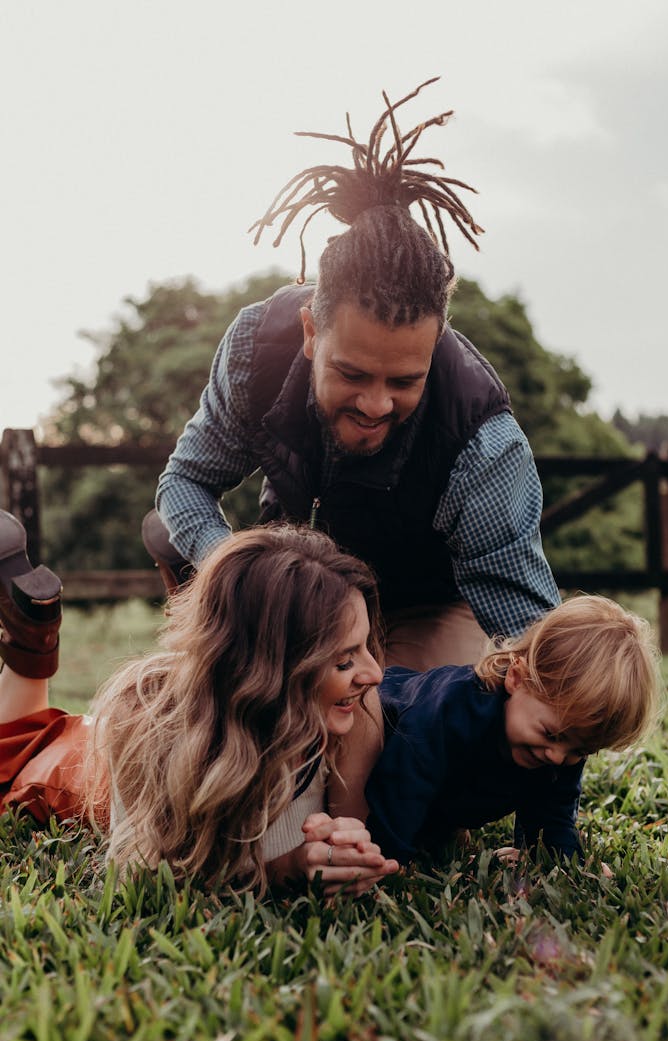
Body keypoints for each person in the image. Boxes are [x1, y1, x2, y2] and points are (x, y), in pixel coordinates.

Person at [147, 78, 560, 672]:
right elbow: (183, 483)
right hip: (296, 594)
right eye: (352, 372)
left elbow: (526, 632)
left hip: (424, 606)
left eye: (403, 382)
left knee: (380, 735)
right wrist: (240, 576)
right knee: (213, 718)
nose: (374, 404)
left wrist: (556, 705)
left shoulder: (484, 443)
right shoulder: (254, 349)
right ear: (312, 331)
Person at [0, 509, 398, 896]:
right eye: (344, 660)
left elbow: (351, 840)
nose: (375, 674)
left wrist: (349, 854)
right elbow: (145, 877)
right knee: (14, 750)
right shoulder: (144, 723)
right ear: (273, 669)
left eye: (365, 648)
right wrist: (285, 871)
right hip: (79, 771)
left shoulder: (355, 711)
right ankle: (33, 634)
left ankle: (197, 590)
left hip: (212, 697)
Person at [331, 594, 662, 864]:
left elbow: (555, 810)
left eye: (581, 751)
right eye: (551, 734)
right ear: (516, 678)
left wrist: (556, 859)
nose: (558, 757)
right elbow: (401, 786)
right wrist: (390, 859)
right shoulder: (447, 713)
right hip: (367, 736)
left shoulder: (563, 743)